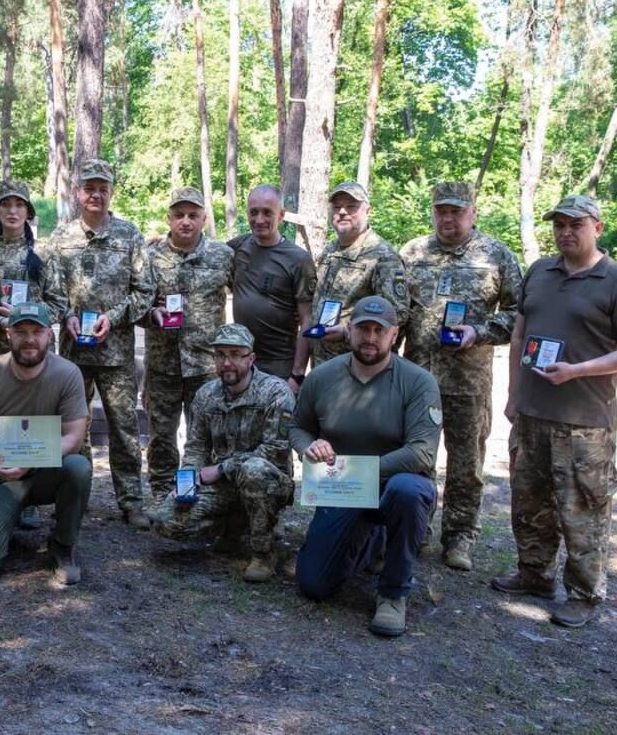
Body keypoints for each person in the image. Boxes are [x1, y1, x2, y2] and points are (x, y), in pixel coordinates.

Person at [492, 195, 617, 628]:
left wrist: (580, 370)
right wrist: (513, 392)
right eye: (559, 224)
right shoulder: (540, 271)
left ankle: (584, 592)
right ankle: (534, 573)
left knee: (583, 508)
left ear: (596, 227)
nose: (565, 232)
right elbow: (521, 329)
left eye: (575, 225)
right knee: (530, 501)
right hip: (531, 412)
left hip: (584, 420)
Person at [290, 296, 442, 638]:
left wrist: (362, 469)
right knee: (313, 585)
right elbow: (298, 427)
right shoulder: (324, 376)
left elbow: (422, 453)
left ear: (394, 334)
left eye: (379, 330)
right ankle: (373, 538)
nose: (370, 337)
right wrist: (309, 446)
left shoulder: (418, 382)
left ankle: (393, 593)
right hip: (343, 488)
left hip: (392, 486)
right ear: (349, 332)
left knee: (409, 491)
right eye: (362, 329)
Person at [399, 181, 522, 571]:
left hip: (468, 382)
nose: (447, 218)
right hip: (417, 380)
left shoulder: (495, 255)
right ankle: (414, 530)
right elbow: (398, 311)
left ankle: (459, 536)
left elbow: (519, 311)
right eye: (441, 210)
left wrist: (480, 331)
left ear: (472, 212)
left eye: (456, 211)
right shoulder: (413, 252)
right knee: (414, 459)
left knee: (466, 465)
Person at [44, 159, 155, 529]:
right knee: (75, 424)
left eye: (102, 188)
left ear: (111, 192)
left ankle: (131, 500)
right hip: (75, 351)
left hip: (117, 353)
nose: (95, 194)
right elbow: (51, 289)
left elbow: (145, 291)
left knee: (124, 427)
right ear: (78, 193)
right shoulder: (61, 238)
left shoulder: (130, 236)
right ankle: (79, 492)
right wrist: (66, 316)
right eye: (89, 187)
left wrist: (115, 316)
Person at [0, 302, 92, 584]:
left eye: (37, 331)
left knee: (78, 467)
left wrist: (31, 462)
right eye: (21, 331)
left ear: (50, 335)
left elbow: (74, 438)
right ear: (8, 334)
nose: (30, 339)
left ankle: (63, 548)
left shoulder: (67, 374)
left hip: (45, 473)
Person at [150, 324, 295, 582]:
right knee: (166, 520)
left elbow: (274, 451)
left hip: (268, 480)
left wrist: (219, 469)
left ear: (251, 359)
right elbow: (197, 447)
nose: (227, 362)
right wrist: (187, 482)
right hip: (224, 485)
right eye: (220, 355)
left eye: (235, 354)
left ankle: (263, 552)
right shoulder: (206, 395)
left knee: (253, 470)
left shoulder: (276, 393)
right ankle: (234, 525)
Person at [142, 187, 234, 498]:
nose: (185, 221)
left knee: (206, 435)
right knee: (161, 437)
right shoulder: (150, 256)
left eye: (193, 215)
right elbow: (137, 302)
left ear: (204, 219)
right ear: (168, 219)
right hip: (162, 365)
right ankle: (161, 494)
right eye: (179, 215)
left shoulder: (223, 256)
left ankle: (201, 495)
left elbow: (247, 295)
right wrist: (152, 312)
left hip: (206, 365)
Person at [0, 179, 67, 359]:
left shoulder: (44, 253)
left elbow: (58, 304)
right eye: (5, 204)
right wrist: (1, 322)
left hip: (37, 352)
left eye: (19, 205)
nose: (12, 211)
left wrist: (21, 317)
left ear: (28, 212)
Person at [228, 184, 317, 394]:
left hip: (279, 365)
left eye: (267, 213)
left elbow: (307, 318)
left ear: (281, 215)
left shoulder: (298, 259)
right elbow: (205, 251)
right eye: (254, 212)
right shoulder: (238, 247)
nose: (259, 220)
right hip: (241, 360)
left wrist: (297, 375)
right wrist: (166, 240)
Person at [310, 181, 409, 367]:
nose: (342, 212)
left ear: (367, 210)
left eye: (351, 207)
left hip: (361, 367)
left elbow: (397, 314)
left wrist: (349, 332)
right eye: (337, 207)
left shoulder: (383, 256)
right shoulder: (329, 250)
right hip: (322, 364)